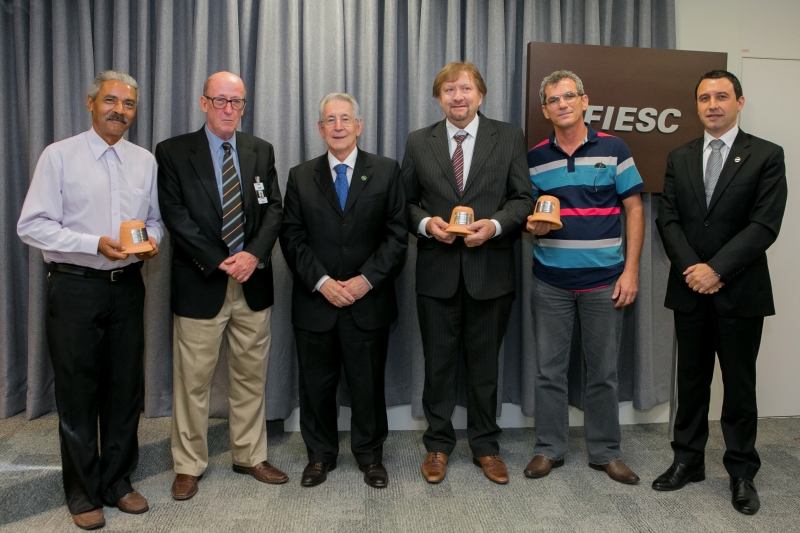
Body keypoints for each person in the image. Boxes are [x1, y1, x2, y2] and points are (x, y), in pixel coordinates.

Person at [17, 70, 162, 530]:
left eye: (129, 104)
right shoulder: (59, 156)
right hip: (75, 285)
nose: (120, 110)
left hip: (128, 287)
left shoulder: (144, 161)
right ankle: (82, 492)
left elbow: (154, 220)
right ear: (90, 102)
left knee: (124, 391)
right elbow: (32, 225)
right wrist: (91, 243)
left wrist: (151, 240)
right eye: (111, 101)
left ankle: (118, 482)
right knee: (79, 393)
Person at [654, 70, 787, 515]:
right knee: (691, 383)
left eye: (722, 96)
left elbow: (764, 225)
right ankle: (687, 461)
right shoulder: (679, 156)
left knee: (739, 386)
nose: (713, 104)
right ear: (696, 106)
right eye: (705, 98)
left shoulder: (767, 155)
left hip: (739, 291)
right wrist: (694, 269)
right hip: (690, 288)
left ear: (740, 102)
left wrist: (717, 271)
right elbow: (667, 220)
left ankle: (742, 472)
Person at [155, 71, 286, 500]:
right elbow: (175, 215)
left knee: (251, 375)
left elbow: (273, 210)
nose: (229, 109)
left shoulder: (259, 150)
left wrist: (253, 255)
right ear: (204, 102)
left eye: (237, 102)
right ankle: (188, 464)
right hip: (202, 280)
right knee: (192, 380)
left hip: (252, 280)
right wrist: (219, 260)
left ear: (244, 106)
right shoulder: (174, 152)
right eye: (221, 100)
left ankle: (250, 454)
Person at [402, 62, 534, 484]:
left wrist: (494, 227)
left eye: (465, 89)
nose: (457, 97)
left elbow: (522, 198)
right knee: (438, 366)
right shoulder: (419, 141)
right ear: (439, 97)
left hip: (490, 272)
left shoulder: (509, 136)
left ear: (481, 94)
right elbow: (404, 203)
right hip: (436, 274)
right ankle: (438, 446)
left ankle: (486, 447)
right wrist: (427, 225)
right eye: (449, 90)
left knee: (484, 367)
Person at [280, 93, 407, 488]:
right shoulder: (301, 175)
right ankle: (319, 456)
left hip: (367, 301)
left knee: (367, 383)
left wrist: (365, 279)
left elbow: (397, 235)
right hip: (316, 301)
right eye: (330, 120)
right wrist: (322, 282)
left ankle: (370, 457)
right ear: (320, 129)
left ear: (359, 125)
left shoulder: (386, 171)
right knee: (316, 384)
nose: (338, 126)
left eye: (345, 119)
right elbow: (291, 237)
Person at [525, 70, 644, 484]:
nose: (562, 104)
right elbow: (534, 215)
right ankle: (549, 449)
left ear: (584, 101)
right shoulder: (535, 158)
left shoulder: (614, 147)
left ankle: (606, 452)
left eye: (569, 96)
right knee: (548, 372)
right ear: (545, 110)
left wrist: (630, 271)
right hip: (550, 283)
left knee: (604, 372)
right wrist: (534, 226)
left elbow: (633, 209)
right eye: (554, 99)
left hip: (605, 282)